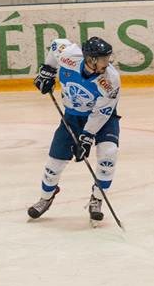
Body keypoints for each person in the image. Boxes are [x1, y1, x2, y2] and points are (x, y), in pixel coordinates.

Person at [28, 36, 121, 226]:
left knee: (108, 155)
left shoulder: (110, 80)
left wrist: (86, 137)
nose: (107, 62)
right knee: (54, 165)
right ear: (90, 59)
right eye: (103, 59)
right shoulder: (70, 56)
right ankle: (46, 197)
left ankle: (97, 198)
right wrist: (48, 70)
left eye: (107, 58)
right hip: (72, 117)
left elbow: (101, 112)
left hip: (103, 119)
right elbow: (56, 44)